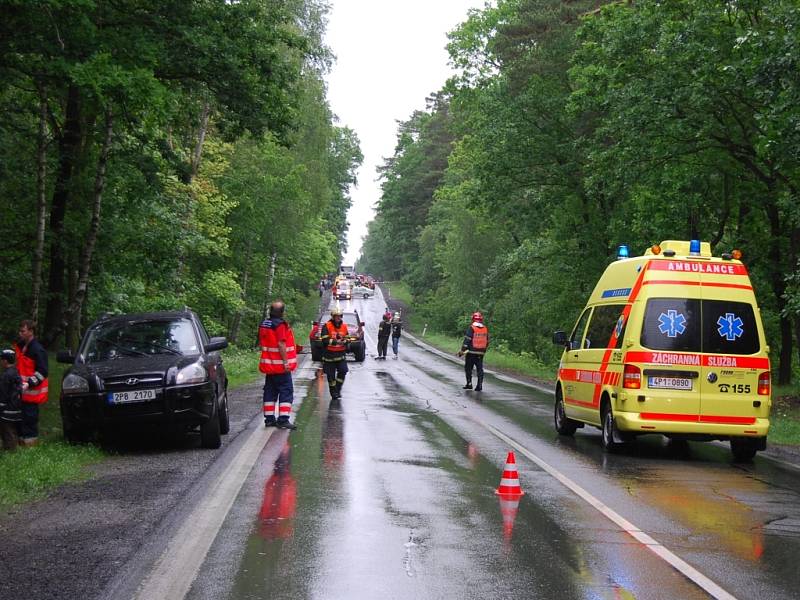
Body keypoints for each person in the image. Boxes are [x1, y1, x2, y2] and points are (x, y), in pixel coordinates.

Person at [258, 301, 298, 430]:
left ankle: (269, 419)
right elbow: (281, 344)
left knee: (270, 391)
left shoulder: (265, 324)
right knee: (286, 391)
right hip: (280, 366)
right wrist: (286, 362)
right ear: (281, 312)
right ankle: (283, 419)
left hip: (269, 366)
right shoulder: (280, 325)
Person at [14, 320, 48, 446]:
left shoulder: (38, 349)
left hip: (31, 392)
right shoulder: (21, 346)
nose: (20, 333)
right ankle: (21, 442)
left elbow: (43, 371)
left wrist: (29, 383)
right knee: (20, 419)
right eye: (20, 330)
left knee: (30, 419)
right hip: (20, 392)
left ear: (31, 332)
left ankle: (31, 446)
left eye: (23, 331)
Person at [320, 306, 349, 399]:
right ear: (333, 316)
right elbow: (324, 340)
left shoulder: (344, 326)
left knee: (343, 371)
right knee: (331, 376)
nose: (338, 318)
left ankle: (338, 388)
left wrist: (346, 341)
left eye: (340, 316)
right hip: (329, 355)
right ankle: (333, 393)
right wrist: (336, 342)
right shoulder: (327, 326)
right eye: (336, 316)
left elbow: (347, 338)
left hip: (340, 355)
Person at [457, 311, 490, 391]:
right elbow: (487, 341)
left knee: (468, 367)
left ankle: (469, 384)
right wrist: (484, 350)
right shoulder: (485, 329)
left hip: (471, 352)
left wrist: (462, 351)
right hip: (481, 352)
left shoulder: (472, 328)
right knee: (480, 369)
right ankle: (479, 385)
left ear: (473, 319)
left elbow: (467, 340)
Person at [0, 349, 22, 451]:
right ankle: (13, 448)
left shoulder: (6, 376)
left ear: (5, 361)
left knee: (7, 432)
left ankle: (11, 452)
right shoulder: (16, 372)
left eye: (1, 359)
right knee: (13, 431)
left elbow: (3, 394)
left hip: (7, 410)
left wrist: (1, 406)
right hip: (16, 408)